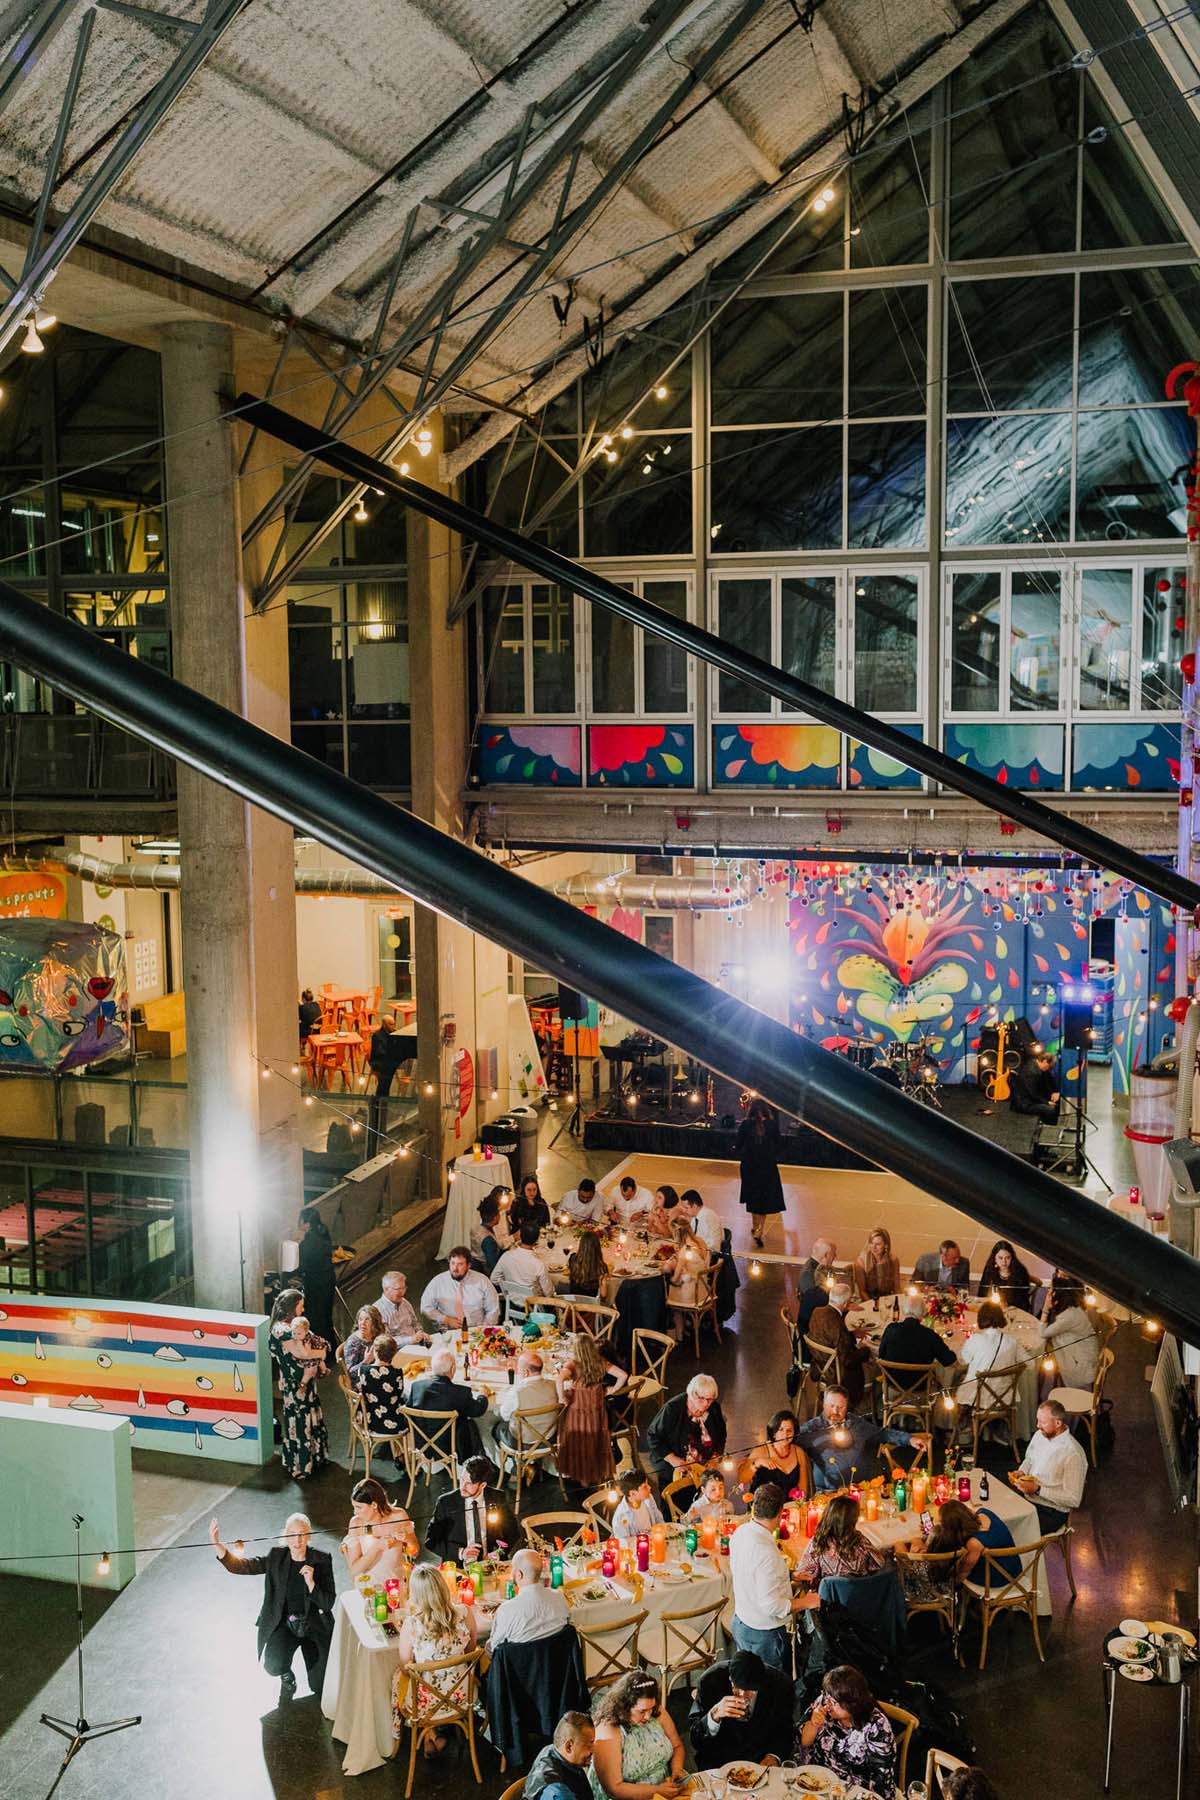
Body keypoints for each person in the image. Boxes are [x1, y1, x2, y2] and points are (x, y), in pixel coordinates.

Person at [210, 1512, 335, 1702]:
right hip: (285, 1624)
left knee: (319, 1686)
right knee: (273, 1667)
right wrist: (218, 1545)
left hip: (312, 1626)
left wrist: (312, 1584)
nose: (297, 1540)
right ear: (285, 1536)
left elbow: (328, 1603)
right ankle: (286, 1672)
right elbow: (244, 1566)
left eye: (302, 1534)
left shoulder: (322, 1560)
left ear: (309, 1536)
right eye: (292, 1534)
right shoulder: (277, 1557)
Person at [392, 1562, 477, 1754]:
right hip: (462, 1696)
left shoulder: (412, 1624)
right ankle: (432, 1733)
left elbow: (406, 1667)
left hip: (426, 1703)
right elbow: (470, 1650)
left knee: (399, 1676)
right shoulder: (465, 1612)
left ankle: (428, 1732)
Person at [728, 1483, 807, 1670]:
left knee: (749, 1687)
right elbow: (772, 1606)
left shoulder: (741, 1532)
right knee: (772, 1693)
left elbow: (752, 1574)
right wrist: (806, 1602)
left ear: (754, 1507)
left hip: (741, 1621)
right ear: (780, 1513)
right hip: (764, 1635)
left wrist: (789, 1575)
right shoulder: (766, 1552)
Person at [795, 1386, 930, 1491]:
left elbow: (882, 1434)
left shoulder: (856, 1424)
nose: (835, 1411)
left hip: (860, 1488)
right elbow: (789, 1438)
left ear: (847, 1407)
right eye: (831, 1406)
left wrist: (909, 1439)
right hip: (829, 1492)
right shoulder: (812, 1428)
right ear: (823, 1405)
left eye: (840, 1407)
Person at [796, 1664, 898, 1796]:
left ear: (852, 1705)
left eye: (834, 1702)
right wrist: (814, 1724)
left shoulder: (876, 1726)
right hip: (818, 1782)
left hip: (857, 1790)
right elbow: (804, 1743)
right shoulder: (823, 1704)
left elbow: (880, 1777)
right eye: (826, 1695)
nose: (827, 1705)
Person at [898, 1498, 1020, 1603]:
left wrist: (946, 1585)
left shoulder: (974, 1543)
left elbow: (963, 1573)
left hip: (998, 1578)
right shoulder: (984, 1513)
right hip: (1014, 1567)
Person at [687, 1649, 794, 1770]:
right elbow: (695, 1739)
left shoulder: (781, 1686)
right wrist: (714, 1715)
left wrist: (774, 1756)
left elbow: (785, 1731)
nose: (742, 1695)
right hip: (718, 1759)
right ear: (730, 1678)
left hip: (760, 1761)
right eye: (736, 1688)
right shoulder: (709, 1681)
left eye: (750, 1691)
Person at [589, 1670, 687, 1800]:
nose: (648, 1716)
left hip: (664, 1788)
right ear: (624, 1706)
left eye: (651, 1709)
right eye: (642, 1711)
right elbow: (614, 1788)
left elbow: (677, 1746)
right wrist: (656, 1792)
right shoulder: (608, 1730)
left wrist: (677, 1769)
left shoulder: (655, 1712)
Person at [269, 1288, 328, 1479]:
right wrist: (321, 1354)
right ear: (292, 1307)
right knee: (300, 1419)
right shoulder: (282, 1331)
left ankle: (313, 1458)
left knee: (308, 1415)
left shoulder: (294, 1325)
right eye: (300, 1306)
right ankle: (301, 1464)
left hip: (305, 1380)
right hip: (295, 1383)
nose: (302, 1310)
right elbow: (302, 1353)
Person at [1010, 1399, 1088, 1534]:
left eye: (1043, 1422)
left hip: (1050, 1512)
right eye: (1037, 1420)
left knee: (1011, 1534)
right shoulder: (1040, 1435)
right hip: (1027, 1500)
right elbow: (1029, 1459)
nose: (1037, 1426)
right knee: (996, 1522)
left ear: (1058, 1423)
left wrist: (1038, 1489)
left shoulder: (1073, 1453)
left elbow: (1073, 1499)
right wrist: (1022, 1471)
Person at [556, 1332, 623, 1488]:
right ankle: (597, 1473)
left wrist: (561, 1398)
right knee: (596, 1440)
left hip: (578, 1410)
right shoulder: (600, 1362)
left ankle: (583, 1477)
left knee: (580, 1441)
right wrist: (611, 1390)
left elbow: (559, 1379)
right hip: (596, 1409)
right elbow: (622, 1375)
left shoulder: (572, 1365)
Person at [425, 1455, 522, 1562]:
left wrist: (499, 1553)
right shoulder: (446, 1502)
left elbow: (513, 1533)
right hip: (459, 1566)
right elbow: (431, 1540)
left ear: (482, 1485)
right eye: (462, 1480)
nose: (462, 1487)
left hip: (492, 1564)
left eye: (469, 1484)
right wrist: (461, 1552)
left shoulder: (497, 1498)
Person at [646, 1374, 727, 1491]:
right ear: (692, 1394)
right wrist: (673, 1459)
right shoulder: (672, 1409)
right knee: (675, 1499)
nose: (705, 1404)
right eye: (702, 1398)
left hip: (702, 1467)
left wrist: (715, 1457)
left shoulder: (713, 1408)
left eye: (710, 1399)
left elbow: (721, 1435)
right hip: (674, 1466)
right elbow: (653, 1437)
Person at [408, 1345, 489, 1459]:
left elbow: (408, 1415)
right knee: (471, 1424)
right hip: (451, 1447)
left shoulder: (416, 1387)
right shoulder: (460, 1393)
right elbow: (478, 1410)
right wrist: (483, 1395)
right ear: (453, 1369)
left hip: (422, 1444)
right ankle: (474, 1464)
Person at [796, 1494, 886, 1594]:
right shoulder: (861, 1543)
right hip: (861, 1599)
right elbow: (880, 1565)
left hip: (829, 1602)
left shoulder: (819, 1543)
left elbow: (805, 1574)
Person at [805, 1280, 873, 1408]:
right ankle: (867, 1406)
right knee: (874, 1367)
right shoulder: (838, 1323)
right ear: (846, 1303)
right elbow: (847, 1360)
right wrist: (865, 1350)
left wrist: (852, 1334)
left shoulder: (817, 1312)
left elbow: (830, 1337)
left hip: (819, 1365)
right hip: (837, 1374)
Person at [340, 1475, 419, 1583]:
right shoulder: (356, 1523)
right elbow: (355, 1570)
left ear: (374, 1505)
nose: (355, 1512)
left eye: (359, 1507)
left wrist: (407, 1539)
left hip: (396, 1583)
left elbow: (415, 1552)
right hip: (369, 1586)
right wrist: (377, 1547)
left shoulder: (399, 1516)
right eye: (354, 1506)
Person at [489, 1546, 571, 1649]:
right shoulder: (559, 1597)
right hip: (558, 1662)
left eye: (512, 1568)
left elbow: (495, 1647)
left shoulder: (506, 1610)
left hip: (522, 1664)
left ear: (519, 1574)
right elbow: (568, 1624)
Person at [878, 1292, 960, 1387]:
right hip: (920, 1386)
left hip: (892, 1383)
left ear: (904, 1309)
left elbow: (881, 1355)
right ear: (923, 1312)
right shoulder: (930, 1335)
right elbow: (949, 1360)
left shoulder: (891, 1329)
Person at [955, 1301, 1023, 1412]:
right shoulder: (1012, 1341)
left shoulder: (976, 1339)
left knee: (957, 1380)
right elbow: (1030, 1364)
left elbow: (962, 1360)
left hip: (977, 1400)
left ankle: (959, 1426)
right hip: (1004, 1399)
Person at [735, 1099, 785, 1247]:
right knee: (764, 1199)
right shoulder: (772, 1125)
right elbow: (779, 1145)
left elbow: (738, 1145)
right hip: (767, 1167)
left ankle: (754, 1225)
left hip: (750, 1167)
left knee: (753, 1198)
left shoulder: (745, 1125)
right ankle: (760, 1229)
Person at [1039, 1271, 1099, 1390]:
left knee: (1039, 1358)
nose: (1048, 1294)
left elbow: (1043, 1333)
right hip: (1080, 1348)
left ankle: (1039, 1385)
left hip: (1081, 1361)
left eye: (1051, 1291)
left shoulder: (1069, 1316)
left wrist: (1045, 1309)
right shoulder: (1069, 1308)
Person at [420, 1247, 501, 1329]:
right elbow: (425, 1307)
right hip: (448, 1331)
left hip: (476, 1329)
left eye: (460, 1264)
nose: (455, 1269)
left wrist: (484, 1329)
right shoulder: (438, 1282)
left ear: (468, 1265)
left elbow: (493, 1309)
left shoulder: (482, 1281)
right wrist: (446, 1319)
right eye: (452, 1263)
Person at [526, 1713, 596, 1800]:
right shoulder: (558, 1793)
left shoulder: (552, 1749)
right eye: (589, 1745)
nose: (594, 1750)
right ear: (569, 1746)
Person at [740, 1410, 809, 1497]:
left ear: (795, 1433)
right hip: (763, 1507)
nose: (785, 1434)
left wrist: (799, 1504)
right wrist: (757, 1463)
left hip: (790, 1507)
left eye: (789, 1431)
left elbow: (803, 1489)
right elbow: (742, 1479)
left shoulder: (799, 1452)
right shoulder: (761, 1451)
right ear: (773, 1432)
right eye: (781, 1430)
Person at [352, 1333, 408, 1439]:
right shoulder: (397, 1373)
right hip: (395, 1422)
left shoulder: (364, 1370)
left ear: (375, 1352)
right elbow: (400, 1394)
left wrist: (366, 1360)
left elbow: (359, 1388)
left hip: (371, 1422)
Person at [496, 1349, 559, 1440]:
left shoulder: (517, 1391)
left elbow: (504, 1415)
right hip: (549, 1436)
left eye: (518, 1369)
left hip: (523, 1440)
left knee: (489, 1420)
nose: (517, 1371)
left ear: (526, 1372)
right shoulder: (555, 1385)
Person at [296, 1205, 337, 1347]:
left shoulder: (307, 1244)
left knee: (316, 1317)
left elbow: (301, 1266)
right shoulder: (323, 1232)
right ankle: (332, 1348)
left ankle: (320, 1348)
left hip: (316, 1284)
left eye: (300, 1220)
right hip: (328, 1279)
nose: (298, 1222)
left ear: (307, 1224)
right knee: (326, 1315)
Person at [492, 1219, 556, 1299]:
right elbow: (549, 1293)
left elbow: (494, 1279)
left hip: (512, 1302)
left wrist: (510, 1285)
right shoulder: (538, 1264)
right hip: (534, 1306)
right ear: (537, 1239)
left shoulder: (506, 1256)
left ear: (520, 1236)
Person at [373, 1270, 430, 1345]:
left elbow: (415, 1323)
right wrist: (411, 1340)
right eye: (398, 1289)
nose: (403, 1292)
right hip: (398, 1352)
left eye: (404, 1288)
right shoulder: (377, 1310)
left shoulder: (404, 1302)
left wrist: (421, 1333)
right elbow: (386, 1341)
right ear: (386, 1289)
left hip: (417, 1344)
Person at [978, 1240, 1036, 1313]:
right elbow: (982, 1293)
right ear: (994, 1259)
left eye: (1007, 1258)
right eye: (1000, 1258)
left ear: (1012, 1258)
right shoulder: (989, 1269)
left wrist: (1005, 1304)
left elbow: (1022, 1300)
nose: (1004, 1262)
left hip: (1014, 1311)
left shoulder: (1020, 1272)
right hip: (994, 1310)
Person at [611, 1469, 664, 1539]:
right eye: (645, 1487)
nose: (649, 1487)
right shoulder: (621, 1516)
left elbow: (658, 1519)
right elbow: (624, 1543)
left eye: (647, 1484)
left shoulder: (648, 1498)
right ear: (632, 1493)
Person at [1010, 1049, 1059, 1124]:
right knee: (1051, 1110)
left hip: (1032, 1099)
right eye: (1049, 1066)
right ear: (1045, 1061)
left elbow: (1048, 1081)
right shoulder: (1031, 1072)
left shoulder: (1039, 1067)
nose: (1048, 1069)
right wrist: (1047, 1102)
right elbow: (1032, 1093)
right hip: (1025, 1103)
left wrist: (1054, 1092)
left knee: (1056, 1103)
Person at [853, 1226, 901, 1302]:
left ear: (886, 1245)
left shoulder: (893, 1260)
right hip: (866, 1300)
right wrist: (875, 1306)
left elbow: (897, 1288)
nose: (874, 1247)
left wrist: (897, 1302)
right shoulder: (861, 1261)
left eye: (878, 1244)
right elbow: (862, 1292)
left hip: (886, 1299)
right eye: (871, 1243)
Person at [340, 1303, 384, 1374]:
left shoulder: (376, 1333)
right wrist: (366, 1361)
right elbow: (350, 1372)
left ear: (374, 1322)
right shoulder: (353, 1342)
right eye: (360, 1319)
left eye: (367, 1319)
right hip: (364, 1377)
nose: (362, 1323)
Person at [678, 1188, 723, 1254]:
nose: (684, 1211)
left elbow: (715, 1248)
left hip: (707, 1255)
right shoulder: (694, 1217)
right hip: (697, 1251)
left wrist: (696, 1252)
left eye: (686, 1208)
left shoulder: (710, 1218)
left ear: (695, 1206)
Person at [471, 1191, 507, 1273]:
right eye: (499, 1214)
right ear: (494, 1218)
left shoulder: (475, 1228)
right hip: (485, 1274)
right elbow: (494, 1267)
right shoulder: (488, 1240)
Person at [566, 1227, 607, 1298]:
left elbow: (568, 1268)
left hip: (574, 1305)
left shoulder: (573, 1259)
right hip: (592, 1307)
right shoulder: (601, 1267)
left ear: (581, 1245)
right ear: (597, 1247)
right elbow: (604, 1295)